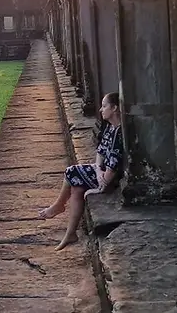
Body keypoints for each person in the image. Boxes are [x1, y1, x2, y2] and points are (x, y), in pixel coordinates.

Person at [38, 92, 123, 250]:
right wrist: (97, 169)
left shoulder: (120, 133)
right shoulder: (110, 128)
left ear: (115, 108)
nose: (100, 110)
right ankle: (70, 233)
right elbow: (100, 151)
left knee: (71, 172)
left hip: (111, 178)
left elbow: (114, 163)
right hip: (102, 172)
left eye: (104, 106)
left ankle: (58, 205)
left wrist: (102, 185)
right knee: (76, 189)